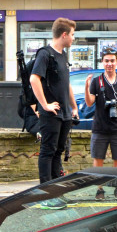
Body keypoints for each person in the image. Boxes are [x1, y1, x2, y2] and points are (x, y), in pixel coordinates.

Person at [30, 17, 79, 183]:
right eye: (72, 34)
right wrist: (45, 105)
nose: (74, 38)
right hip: (51, 113)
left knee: (58, 150)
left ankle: (55, 188)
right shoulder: (45, 54)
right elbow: (34, 79)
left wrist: (74, 107)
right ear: (64, 34)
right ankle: (45, 191)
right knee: (48, 150)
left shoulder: (63, 55)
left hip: (64, 113)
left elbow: (66, 84)